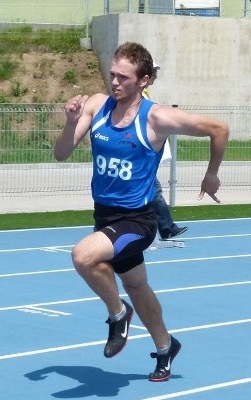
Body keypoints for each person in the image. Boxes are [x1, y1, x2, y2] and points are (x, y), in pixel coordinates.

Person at [54, 42, 228, 382]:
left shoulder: (157, 118)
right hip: (104, 216)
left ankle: (118, 314)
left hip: (137, 221)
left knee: (83, 256)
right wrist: (70, 121)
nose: (114, 82)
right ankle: (166, 347)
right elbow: (61, 153)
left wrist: (211, 174)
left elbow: (219, 129)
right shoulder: (96, 106)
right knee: (136, 286)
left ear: (144, 81)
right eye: (112, 75)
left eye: (123, 77)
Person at [142, 62, 188, 240]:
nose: (155, 75)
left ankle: (163, 227)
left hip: (147, 151)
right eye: (152, 72)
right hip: (142, 152)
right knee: (154, 190)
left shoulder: (144, 94)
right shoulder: (139, 95)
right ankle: (166, 228)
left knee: (152, 190)